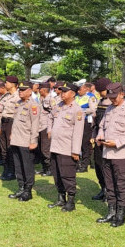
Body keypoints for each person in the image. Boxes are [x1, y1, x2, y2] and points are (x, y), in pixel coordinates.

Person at [95, 82, 125, 227]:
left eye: (114, 97)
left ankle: (121, 214)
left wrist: (117, 142)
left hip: (120, 154)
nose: (112, 100)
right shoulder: (109, 109)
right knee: (109, 184)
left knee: (121, 185)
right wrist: (100, 136)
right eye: (110, 97)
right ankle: (111, 210)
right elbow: (102, 126)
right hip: (107, 153)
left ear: (121, 94)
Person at [48, 82, 85, 212]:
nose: (62, 93)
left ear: (73, 94)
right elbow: (50, 118)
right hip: (55, 146)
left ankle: (71, 201)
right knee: (57, 174)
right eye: (61, 91)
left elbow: (78, 133)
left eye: (65, 91)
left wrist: (75, 151)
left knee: (67, 175)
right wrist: (49, 130)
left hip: (67, 148)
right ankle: (60, 198)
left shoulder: (77, 110)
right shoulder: (58, 106)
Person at [8, 81, 40, 201]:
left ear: (30, 91)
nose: (20, 92)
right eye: (19, 90)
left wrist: (33, 141)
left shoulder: (34, 105)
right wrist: (12, 133)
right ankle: (21, 187)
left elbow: (35, 125)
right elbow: (15, 121)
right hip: (16, 139)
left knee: (27, 166)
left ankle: (28, 190)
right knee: (18, 165)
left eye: (23, 90)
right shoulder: (18, 103)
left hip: (26, 140)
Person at [91, 77, 112, 201]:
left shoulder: (111, 103)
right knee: (98, 165)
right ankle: (103, 188)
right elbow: (96, 122)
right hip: (98, 139)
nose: (99, 93)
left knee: (106, 167)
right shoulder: (100, 101)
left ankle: (109, 191)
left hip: (108, 140)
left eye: (101, 91)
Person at [0, 75, 19, 181]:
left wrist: (14, 130)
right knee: (4, 148)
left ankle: (12, 172)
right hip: (4, 122)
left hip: (12, 123)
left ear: (12, 84)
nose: (5, 84)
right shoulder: (7, 96)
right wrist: (1, 127)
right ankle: (6, 170)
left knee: (10, 149)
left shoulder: (18, 96)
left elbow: (17, 115)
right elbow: (3, 113)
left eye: (7, 82)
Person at [75, 82, 97, 173]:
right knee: (77, 143)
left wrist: (80, 110)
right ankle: (77, 164)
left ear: (85, 89)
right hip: (76, 122)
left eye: (80, 89)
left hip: (86, 122)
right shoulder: (76, 96)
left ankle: (84, 165)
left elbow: (93, 109)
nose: (79, 91)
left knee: (85, 144)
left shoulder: (90, 97)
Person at [36, 84, 54, 177]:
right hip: (40, 126)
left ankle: (49, 168)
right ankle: (44, 168)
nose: (38, 90)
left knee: (45, 149)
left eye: (40, 89)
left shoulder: (51, 99)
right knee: (40, 148)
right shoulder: (41, 98)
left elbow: (54, 113)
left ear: (43, 90)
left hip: (46, 127)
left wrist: (50, 129)